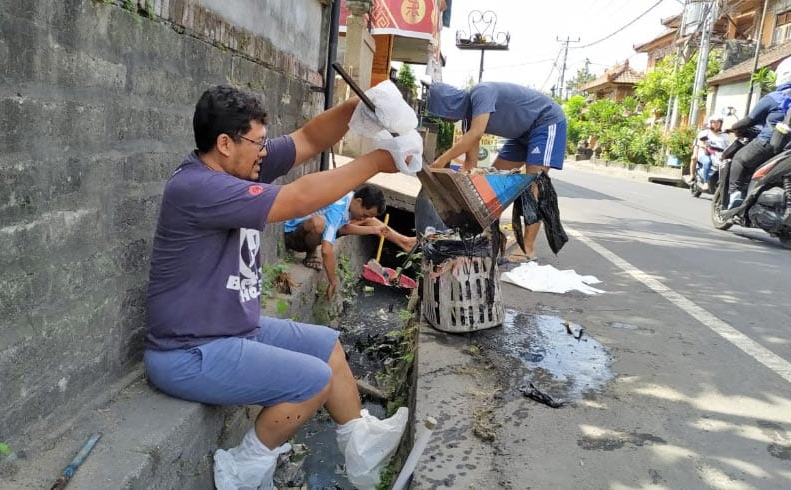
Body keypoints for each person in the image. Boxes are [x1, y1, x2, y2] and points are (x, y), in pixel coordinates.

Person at [143, 86, 414, 488]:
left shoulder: (236, 166)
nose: (264, 152)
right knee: (313, 379)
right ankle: (244, 467)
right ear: (224, 144)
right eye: (256, 143)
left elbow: (309, 139)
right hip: (189, 350)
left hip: (232, 329)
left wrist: (363, 107)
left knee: (327, 346)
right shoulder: (198, 187)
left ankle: (362, 448)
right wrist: (378, 160)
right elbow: (298, 199)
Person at [426, 81, 567, 262]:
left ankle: (528, 248)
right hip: (521, 134)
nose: (444, 120)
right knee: (494, 184)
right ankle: (491, 235)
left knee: (535, 184)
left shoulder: (481, 93)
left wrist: (440, 161)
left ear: (450, 105)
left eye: (443, 115)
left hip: (545, 122)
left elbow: (476, 134)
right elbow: (470, 165)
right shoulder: (468, 119)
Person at [284, 184, 416, 298]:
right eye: (364, 213)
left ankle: (404, 241)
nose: (362, 218)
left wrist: (375, 230)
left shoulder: (349, 198)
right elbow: (326, 250)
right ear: (359, 201)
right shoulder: (338, 208)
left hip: (310, 229)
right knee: (319, 224)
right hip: (292, 235)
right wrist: (333, 281)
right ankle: (310, 253)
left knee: (365, 221)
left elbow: (344, 228)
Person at [727, 55, 791, 209]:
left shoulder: (775, 97)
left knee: (739, 159)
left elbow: (749, 121)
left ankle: (735, 194)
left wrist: (733, 127)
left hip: (771, 144)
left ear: (785, 73)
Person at [691, 114, 730, 183]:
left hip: (719, 155)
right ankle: (705, 182)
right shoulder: (706, 133)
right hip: (705, 153)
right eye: (714, 122)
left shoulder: (725, 135)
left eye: (718, 122)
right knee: (707, 162)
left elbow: (728, 146)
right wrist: (704, 146)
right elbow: (699, 142)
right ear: (711, 123)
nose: (716, 124)